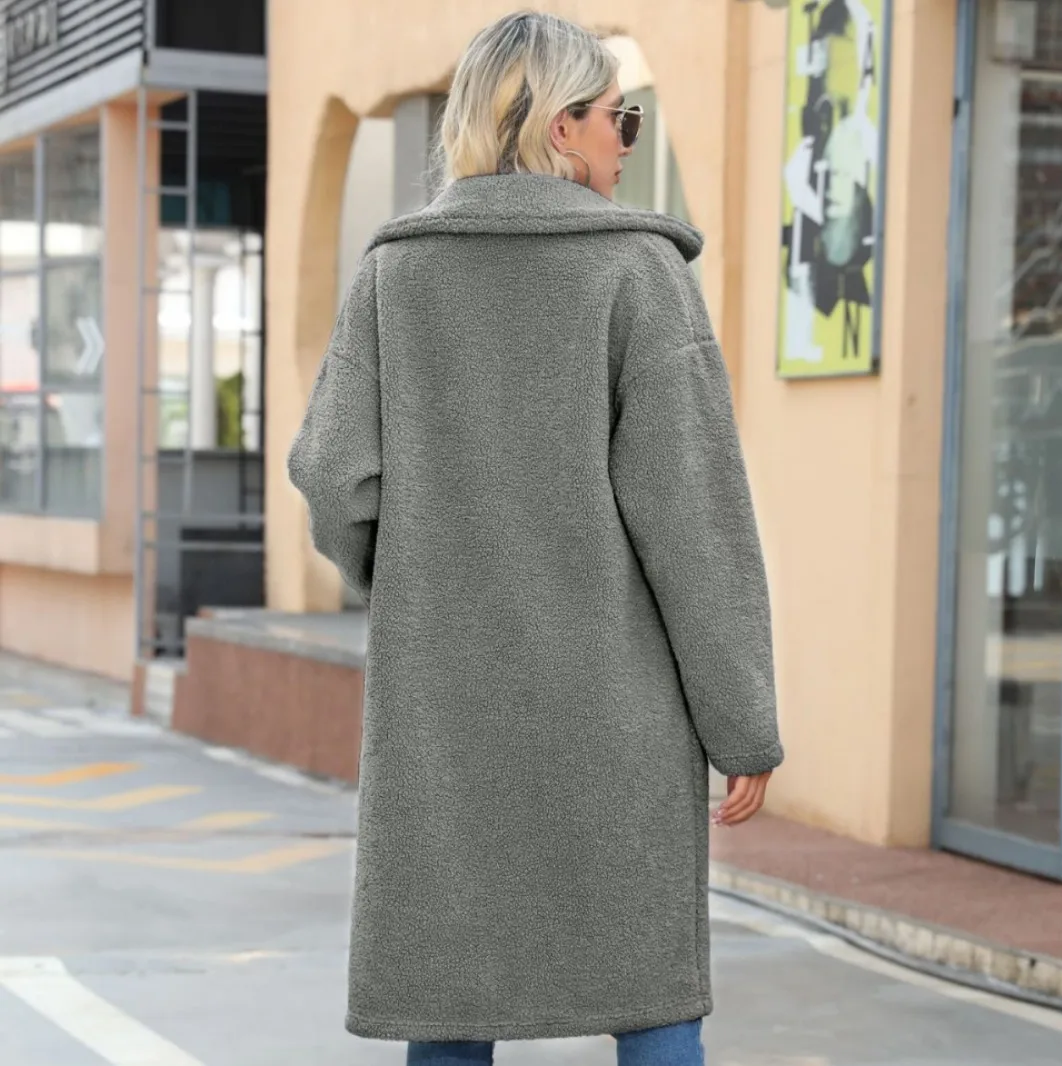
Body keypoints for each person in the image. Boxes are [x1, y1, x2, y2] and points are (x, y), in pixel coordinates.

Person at [287, 10, 784, 1066]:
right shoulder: (638, 274)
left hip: (443, 710)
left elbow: (334, 475)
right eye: (619, 118)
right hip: (618, 713)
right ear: (562, 127)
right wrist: (741, 723)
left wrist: (413, 573)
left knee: (448, 998)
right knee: (649, 996)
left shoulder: (395, 276)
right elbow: (695, 523)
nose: (626, 140)